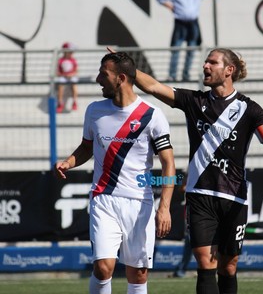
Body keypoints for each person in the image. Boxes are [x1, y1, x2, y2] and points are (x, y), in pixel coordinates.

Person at [132, 47, 263, 294]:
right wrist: (128, 70)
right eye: (205, 62)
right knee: (205, 262)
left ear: (229, 70)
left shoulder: (250, 109)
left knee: (229, 267)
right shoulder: (194, 101)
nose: (205, 66)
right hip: (200, 195)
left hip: (234, 197)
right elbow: (154, 87)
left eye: (212, 62)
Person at [54, 52, 175, 294]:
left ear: (120, 78)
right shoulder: (94, 111)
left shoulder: (152, 115)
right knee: (103, 267)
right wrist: (69, 161)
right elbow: (87, 147)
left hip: (140, 202)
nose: (98, 79)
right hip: (104, 198)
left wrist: (165, 207)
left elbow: (168, 164)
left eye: (103, 74)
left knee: (138, 274)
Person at [156, 0, 218, 81]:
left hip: (193, 23)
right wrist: (170, 6)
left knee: (191, 49)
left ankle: (186, 75)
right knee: (176, 49)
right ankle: (172, 75)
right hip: (180, 23)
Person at [56, 42, 79, 113]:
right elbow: (57, 72)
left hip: (71, 76)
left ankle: (74, 101)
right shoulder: (60, 60)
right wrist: (63, 75)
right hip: (63, 76)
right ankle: (60, 103)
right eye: (70, 51)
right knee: (60, 85)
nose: (71, 53)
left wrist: (71, 74)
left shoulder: (73, 60)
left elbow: (76, 71)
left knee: (74, 85)